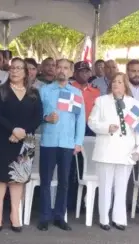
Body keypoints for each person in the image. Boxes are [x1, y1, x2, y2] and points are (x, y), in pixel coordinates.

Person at [0, 58, 42, 233]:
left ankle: (15, 215)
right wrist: (13, 129)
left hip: (25, 141)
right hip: (3, 139)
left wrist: (23, 132)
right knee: (0, 177)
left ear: (26, 72)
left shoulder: (33, 93)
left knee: (18, 179)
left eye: (19, 68)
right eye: (13, 68)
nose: (15, 71)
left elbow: (37, 117)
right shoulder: (2, 91)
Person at [88, 72, 139, 231]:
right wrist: (106, 127)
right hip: (105, 150)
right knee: (106, 185)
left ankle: (119, 218)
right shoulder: (101, 101)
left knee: (121, 186)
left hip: (125, 151)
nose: (116, 84)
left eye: (120, 82)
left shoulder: (133, 103)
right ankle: (104, 218)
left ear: (125, 85)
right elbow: (92, 122)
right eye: (114, 82)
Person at [38, 59, 85, 231]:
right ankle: (44, 216)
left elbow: (81, 119)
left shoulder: (76, 93)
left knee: (64, 182)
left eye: (66, 68)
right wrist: (45, 118)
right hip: (48, 142)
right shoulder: (45, 91)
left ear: (71, 72)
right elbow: (37, 114)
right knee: (46, 181)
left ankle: (59, 216)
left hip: (67, 144)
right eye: (59, 67)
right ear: (55, 69)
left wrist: (78, 142)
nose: (62, 70)